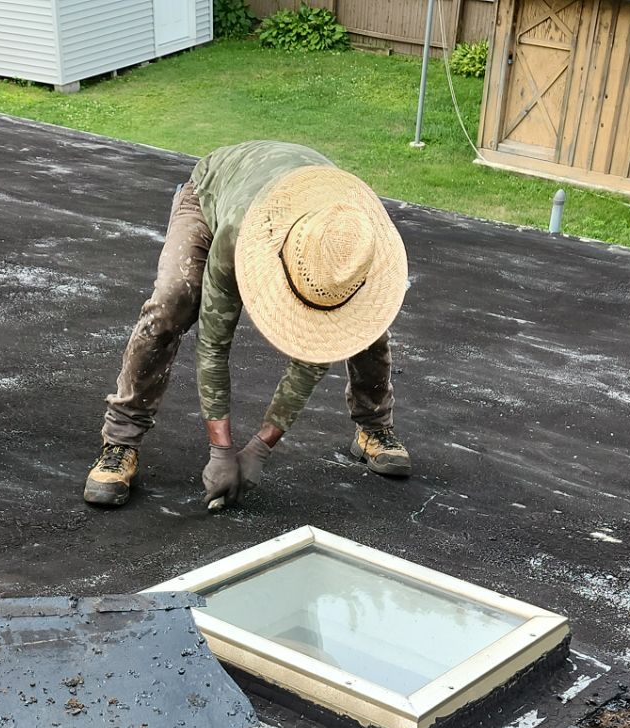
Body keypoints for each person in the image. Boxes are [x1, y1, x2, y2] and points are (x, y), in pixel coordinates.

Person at [84, 140, 411, 510]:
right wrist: (221, 449)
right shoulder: (239, 229)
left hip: (317, 205)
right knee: (172, 301)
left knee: (366, 321)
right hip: (215, 192)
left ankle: (374, 426)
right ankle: (120, 441)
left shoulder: (357, 239)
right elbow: (213, 342)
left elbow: (314, 358)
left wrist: (260, 447)